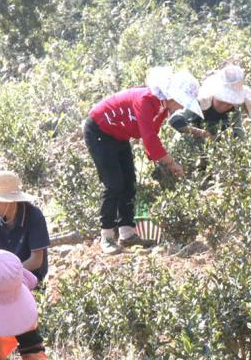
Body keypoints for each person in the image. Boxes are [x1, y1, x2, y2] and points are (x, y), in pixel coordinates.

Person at [83, 66, 202, 254]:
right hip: (99, 131)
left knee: (129, 182)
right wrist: (170, 163)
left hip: (119, 135)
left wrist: (160, 161)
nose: (182, 108)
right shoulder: (146, 100)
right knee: (114, 184)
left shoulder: (162, 107)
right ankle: (106, 236)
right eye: (182, 103)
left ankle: (127, 234)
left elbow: (152, 134)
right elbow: (149, 138)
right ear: (173, 97)